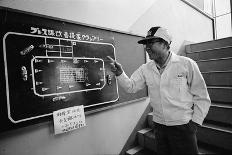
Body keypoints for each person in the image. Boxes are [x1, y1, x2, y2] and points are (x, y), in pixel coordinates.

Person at [107, 26, 211, 155]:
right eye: (145, 44)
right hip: (159, 127)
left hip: (183, 127)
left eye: (151, 42)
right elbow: (131, 87)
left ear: (165, 43)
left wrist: (194, 123)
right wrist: (120, 73)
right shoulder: (145, 68)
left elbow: (202, 96)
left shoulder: (186, 64)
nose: (147, 47)